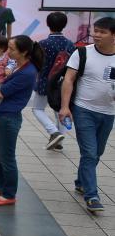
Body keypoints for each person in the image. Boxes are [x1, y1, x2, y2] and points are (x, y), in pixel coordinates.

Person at [58, 16, 115, 213]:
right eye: (95, 31)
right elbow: (68, 80)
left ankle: (81, 181)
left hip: (108, 113)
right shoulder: (82, 53)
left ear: (113, 36)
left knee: (97, 152)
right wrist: (65, 107)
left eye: (102, 32)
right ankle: (92, 196)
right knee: (89, 153)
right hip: (83, 110)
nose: (96, 35)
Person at [0, 35, 42, 206]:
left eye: (12, 49)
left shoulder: (27, 72)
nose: (8, 52)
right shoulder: (17, 66)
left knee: (6, 157)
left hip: (8, 117)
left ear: (24, 52)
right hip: (1, 115)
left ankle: (9, 194)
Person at [34, 12, 77, 151]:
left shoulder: (43, 44)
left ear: (47, 24)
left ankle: (54, 132)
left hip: (44, 82)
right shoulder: (70, 44)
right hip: (63, 83)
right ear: (64, 25)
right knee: (60, 110)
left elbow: (36, 63)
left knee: (38, 109)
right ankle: (59, 142)